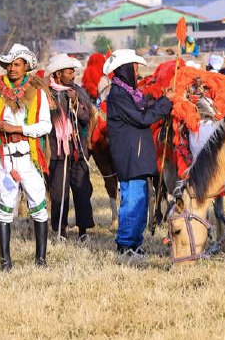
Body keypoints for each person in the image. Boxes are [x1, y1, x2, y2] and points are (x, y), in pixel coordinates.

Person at [103, 49, 174, 261]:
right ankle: (125, 246)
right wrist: (167, 102)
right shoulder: (118, 96)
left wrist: (162, 99)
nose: (136, 72)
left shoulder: (129, 93)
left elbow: (146, 109)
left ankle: (135, 244)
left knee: (141, 201)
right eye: (134, 68)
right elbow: (143, 119)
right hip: (130, 156)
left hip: (137, 155)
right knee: (133, 202)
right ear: (124, 70)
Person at [0, 44, 52, 270]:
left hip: (28, 155)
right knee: (4, 209)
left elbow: (45, 126)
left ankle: (41, 260)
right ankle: (5, 262)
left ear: (25, 67)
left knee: (38, 206)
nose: (12, 69)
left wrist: (16, 129)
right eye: (9, 65)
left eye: (17, 64)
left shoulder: (38, 92)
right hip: (5, 156)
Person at [46, 54, 95, 241]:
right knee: (59, 192)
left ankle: (83, 230)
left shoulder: (78, 91)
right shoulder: (46, 94)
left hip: (78, 150)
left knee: (83, 191)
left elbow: (87, 116)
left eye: (73, 71)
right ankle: (61, 230)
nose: (73, 75)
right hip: (57, 151)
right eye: (69, 71)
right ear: (58, 74)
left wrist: (75, 102)